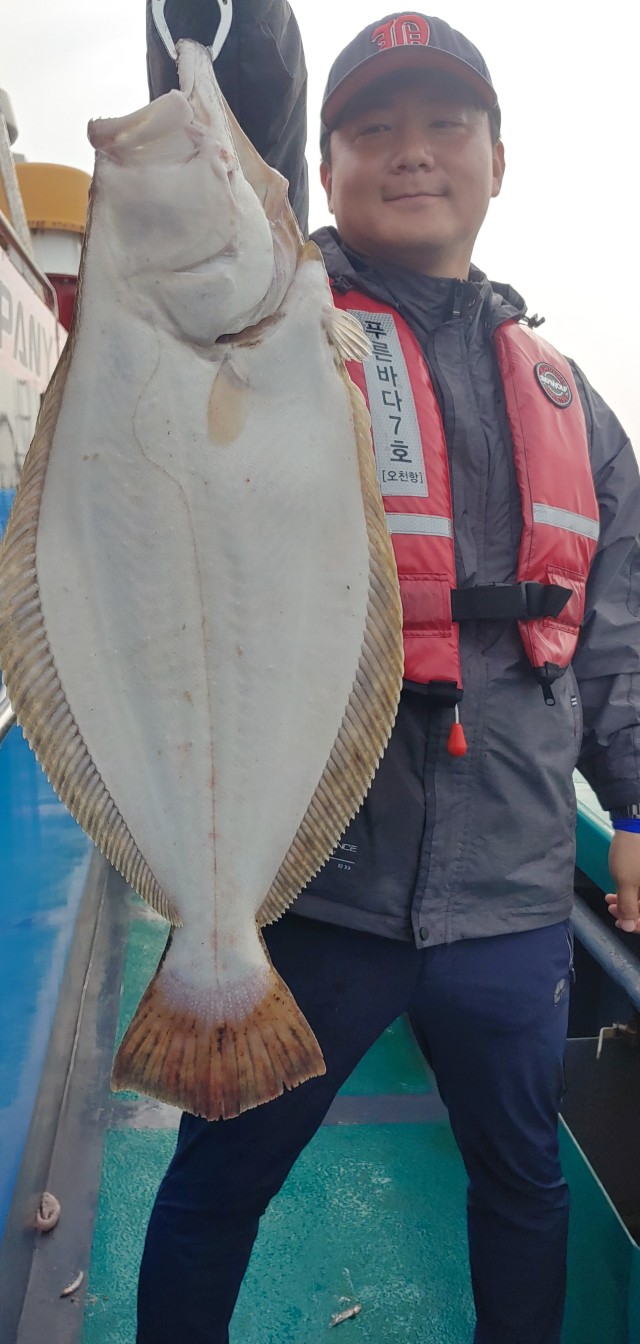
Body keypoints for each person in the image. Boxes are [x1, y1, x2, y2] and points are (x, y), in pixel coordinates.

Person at [140, 6, 640, 1342]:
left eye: (445, 124)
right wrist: (209, 30)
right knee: (217, 1182)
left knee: (523, 1184)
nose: (411, 152)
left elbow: (617, 636)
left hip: (518, 891)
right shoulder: (269, 325)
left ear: (496, 158)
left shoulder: (574, 403)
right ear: (323, 165)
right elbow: (218, 146)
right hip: (316, 884)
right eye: (371, 129)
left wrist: (634, 810)